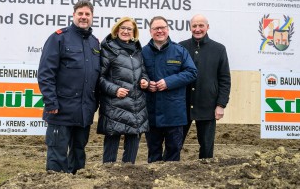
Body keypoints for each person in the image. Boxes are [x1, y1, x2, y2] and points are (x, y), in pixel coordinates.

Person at [37, 0, 100, 174]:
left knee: (79, 154)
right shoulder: (59, 37)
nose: (83, 17)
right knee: (57, 155)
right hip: (60, 111)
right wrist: (51, 103)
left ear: (92, 17)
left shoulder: (95, 43)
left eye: (87, 14)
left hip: (83, 112)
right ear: (73, 15)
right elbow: (45, 73)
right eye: (80, 13)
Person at [142, 16, 197, 163]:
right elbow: (138, 74)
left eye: (162, 28)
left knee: (173, 151)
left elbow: (192, 72)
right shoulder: (143, 52)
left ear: (168, 29)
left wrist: (168, 82)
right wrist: (146, 83)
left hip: (174, 113)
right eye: (156, 28)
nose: (159, 31)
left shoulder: (180, 51)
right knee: (153, 152)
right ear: (150, 31)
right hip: (152, 112)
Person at [97, 17, 149, 164]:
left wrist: (145, 81)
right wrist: (114, 90)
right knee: (111, 151)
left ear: (134, 32)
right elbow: (98, 78)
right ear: (117, 30)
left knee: (132, 147)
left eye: (129, 29)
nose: (125, 31)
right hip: (115, 106)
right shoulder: (108, 49)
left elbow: (143, 73)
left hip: (136, 106)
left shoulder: (138, 50)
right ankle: (107, 179)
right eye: (123, 28)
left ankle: (129, 178)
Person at [179, 14, 231, 159]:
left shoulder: (219, 49)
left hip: (208, 104)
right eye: (194, 26)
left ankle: (206, 173)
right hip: (183, 104)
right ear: (190, 28)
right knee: (175, 144)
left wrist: (221, 104)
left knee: (207, 146)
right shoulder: (181, 47)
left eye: (201, 25)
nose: (197, 29)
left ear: (207, 27)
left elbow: (224, 79)